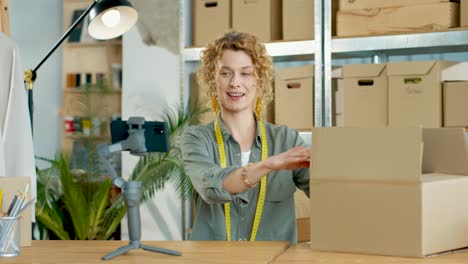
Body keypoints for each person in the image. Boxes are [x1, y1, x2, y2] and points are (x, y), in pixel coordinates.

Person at [181, 31, 311, 244]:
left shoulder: (287, 140)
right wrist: (269, 165)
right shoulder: (197, 139)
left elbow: (326, 193)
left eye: (246, 73)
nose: (235, 83)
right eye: (225, 73)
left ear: (259, 81)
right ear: (212, 80)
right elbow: (212, 187)